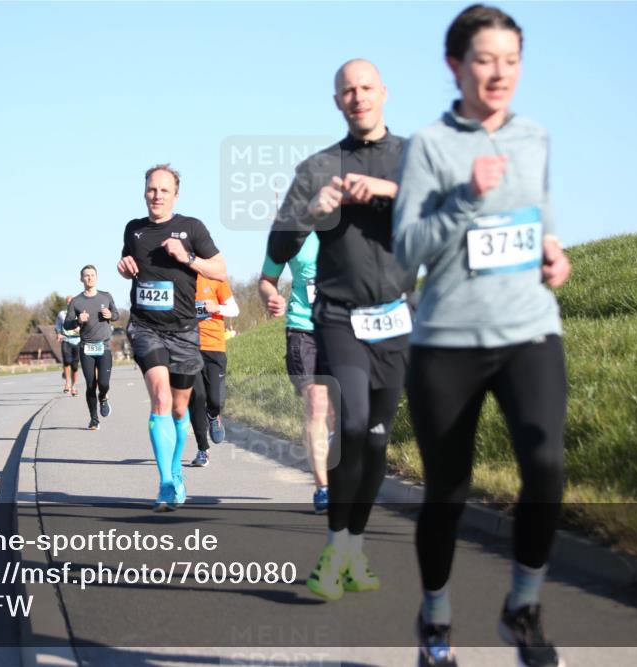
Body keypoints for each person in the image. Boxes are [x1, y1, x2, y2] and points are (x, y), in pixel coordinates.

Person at [392, 6, 571, 667]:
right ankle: (436, 618)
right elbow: (407, 246)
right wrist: (465, 195)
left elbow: (540, 221)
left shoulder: (536, 136)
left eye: (511, 60)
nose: (499, 73)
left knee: (545, 464)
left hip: (529, 329)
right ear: (455, 66)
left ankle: (522, 605)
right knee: (449, 491)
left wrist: (555, 255)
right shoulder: (430, 145)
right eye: (485, 60)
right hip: (448, 341)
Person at [266, 59, 413, 601]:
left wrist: (385, 189)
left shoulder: (411, 158)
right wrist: (312, 211)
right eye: (347, 90)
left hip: (397, 319)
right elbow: (279, 246)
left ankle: (350, 548)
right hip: (339, 317)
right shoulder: (318, 166)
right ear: (337, 101)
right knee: (351, 428)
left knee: (375, 443)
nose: (358, 96)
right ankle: (336, 546)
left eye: (367, 87)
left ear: (384, 93)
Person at [118, 164, 227, 511]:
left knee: (180, 409)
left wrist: (188, 257)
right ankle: (165, 482)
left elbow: (221, 270)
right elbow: (129, 265)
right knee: (161, 399)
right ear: (144, 192)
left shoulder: (191, 228)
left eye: (164, 190)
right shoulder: (133, 230)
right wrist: (123, 267)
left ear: (175, 195)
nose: (157, 196)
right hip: (145, 327)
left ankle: (176, 471)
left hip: (183, 331)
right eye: (151, 189)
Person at [258, 232, 332, 513]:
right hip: (303, 330)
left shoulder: (351, 224)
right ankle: (323, 487)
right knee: (317, 406)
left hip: (343, 329)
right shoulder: (291, 233)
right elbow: (267, 280)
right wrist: (272, 297)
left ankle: (339, 472)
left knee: (339, 413)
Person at [189, 275, 239, 467]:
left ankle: (213, 414)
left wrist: (216, 307)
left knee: (215, 399)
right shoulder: (179, 281)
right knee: (197, 398)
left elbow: (235, 310)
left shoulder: (215, 280)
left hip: (215, 347)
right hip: (190, 349)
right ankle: (203, 449)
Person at [65, 266, 119, 431]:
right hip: (86, 347)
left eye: (92, 275)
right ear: (81, 279)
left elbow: (116, 315)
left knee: (103, 383)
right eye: (86, 276)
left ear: (97, 277)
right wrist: (78, 321)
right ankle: (94, 419)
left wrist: (111, 315)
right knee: (90, 384)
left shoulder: (106, 296)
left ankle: (103, 397)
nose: (89, 278)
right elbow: (67, 324)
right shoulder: (76, 301)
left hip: (104, 346)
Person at [54, 296, 81, 395]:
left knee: (75, 366)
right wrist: (58, 333)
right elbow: (57, 326)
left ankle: (74, 386)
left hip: (77, 341)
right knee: (67, 362)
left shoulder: (80, 313)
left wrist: (80, 329)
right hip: (66, 340)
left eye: (72, 302)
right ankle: (68, 383)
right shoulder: (62, 314)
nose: (70, 304)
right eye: (68, 302)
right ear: (67, 303)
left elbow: (87, 326)